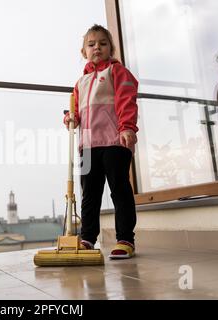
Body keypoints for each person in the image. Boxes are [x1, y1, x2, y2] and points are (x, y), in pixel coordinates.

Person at [63, 24, 139, 259]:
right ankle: (87, 238)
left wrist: (127, 127)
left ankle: (125, 238)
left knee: (119, 189)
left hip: (115, 140)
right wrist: (71, 117)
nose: (97, 47)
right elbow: (78, 110)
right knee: (90, 193)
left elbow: (127, 100)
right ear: (83, 51)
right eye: (91, 44)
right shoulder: (80, 83)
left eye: (103, 44)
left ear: (110, 49)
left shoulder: (118, 73)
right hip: (87, 144)